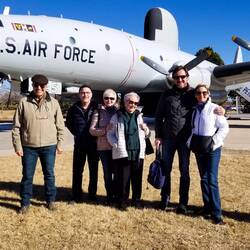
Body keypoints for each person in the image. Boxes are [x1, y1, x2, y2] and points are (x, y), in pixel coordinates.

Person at [155, 65, 225, 214]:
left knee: (184, 171)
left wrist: (220, 109)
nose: (179, 79)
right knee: (166, 169)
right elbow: (158, 116)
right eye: (176, 77)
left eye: (182, 77)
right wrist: (158, 136)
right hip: (168, 138)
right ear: (173, 79)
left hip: (185, 140)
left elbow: (207, 103)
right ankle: (165, 198)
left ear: (187, 77)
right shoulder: (166, 94)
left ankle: (182, 202)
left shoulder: (195, 93)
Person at [12, 74, 64, 214]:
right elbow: (16, 127)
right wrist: (18, 146)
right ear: (33, 86)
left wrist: (59, 143)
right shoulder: (24, 102)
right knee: (27, 176)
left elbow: (60, 125)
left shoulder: (54, 103)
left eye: (42, 86)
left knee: (49, 175)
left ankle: (51, 201)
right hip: (29, 147)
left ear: (46, 87)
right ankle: (25, 203)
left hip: (49, 146)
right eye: (36, 85)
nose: (39, 88)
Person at [187, 84, 229, 225]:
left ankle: (217, 214)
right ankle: (207, 208)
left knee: (212, 180)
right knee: (203, 178)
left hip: (212, 149)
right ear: (195, 95)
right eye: (198, 93)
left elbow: (224, 127)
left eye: (204, 93)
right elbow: (193, 129)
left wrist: (214, 142)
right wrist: (189, 142)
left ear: (208, 93)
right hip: (199, 147)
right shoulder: (195, 111)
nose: (201, 95)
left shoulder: (214, 109)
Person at [107, 92, 150, 211]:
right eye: (130, 102)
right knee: (123, 179)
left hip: (137, 152)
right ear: (125, 102)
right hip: (122, 151)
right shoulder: (117, 116)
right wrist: (115, 144)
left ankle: (136, 200)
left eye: (135, 103)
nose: (133, 105)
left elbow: (146, 134)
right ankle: (122, 201)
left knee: (137, 178)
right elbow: (109, 133)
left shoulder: (139, 116)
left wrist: (146, 130)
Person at [66, 85, 99, 203]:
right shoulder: (73, 108)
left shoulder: (97, 108)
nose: (85, 95)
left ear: (91, 94)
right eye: (83, 93)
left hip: (94, 144)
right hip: (79, 144)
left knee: (93, 171)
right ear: (79, 94)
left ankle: (92, 195)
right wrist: (77, 133)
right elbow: (68, 123)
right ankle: (76, 196)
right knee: (77, 171)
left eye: (88, 92)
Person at [89, 89, 118, 204]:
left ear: (115, 100)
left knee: (117, 172)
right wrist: (104, 130)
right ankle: (109, 196)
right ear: (103, 99)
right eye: (106, 98)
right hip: (103, 148)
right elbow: (92, 130)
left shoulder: (119, 112)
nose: (109, 100)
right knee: (107, 173)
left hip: (116, 147)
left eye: (112, 98)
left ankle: (117, 195)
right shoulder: (98, 112)